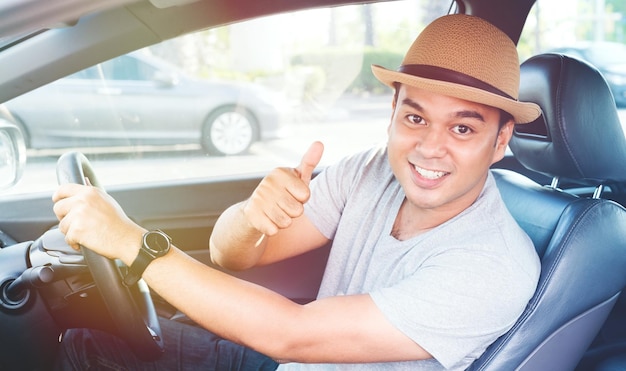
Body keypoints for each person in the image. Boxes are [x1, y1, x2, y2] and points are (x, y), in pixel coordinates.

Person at [52, 14, 542, 370]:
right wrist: (252, 216)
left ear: (500, 141)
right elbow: (230, 255)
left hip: (289, 353)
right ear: (392, 111)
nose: (429, 149)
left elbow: (292, 335)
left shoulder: (493, 266)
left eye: (462, 129)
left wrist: (132, 243)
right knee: (80, 343)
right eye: (415, 118)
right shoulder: (373, 170)